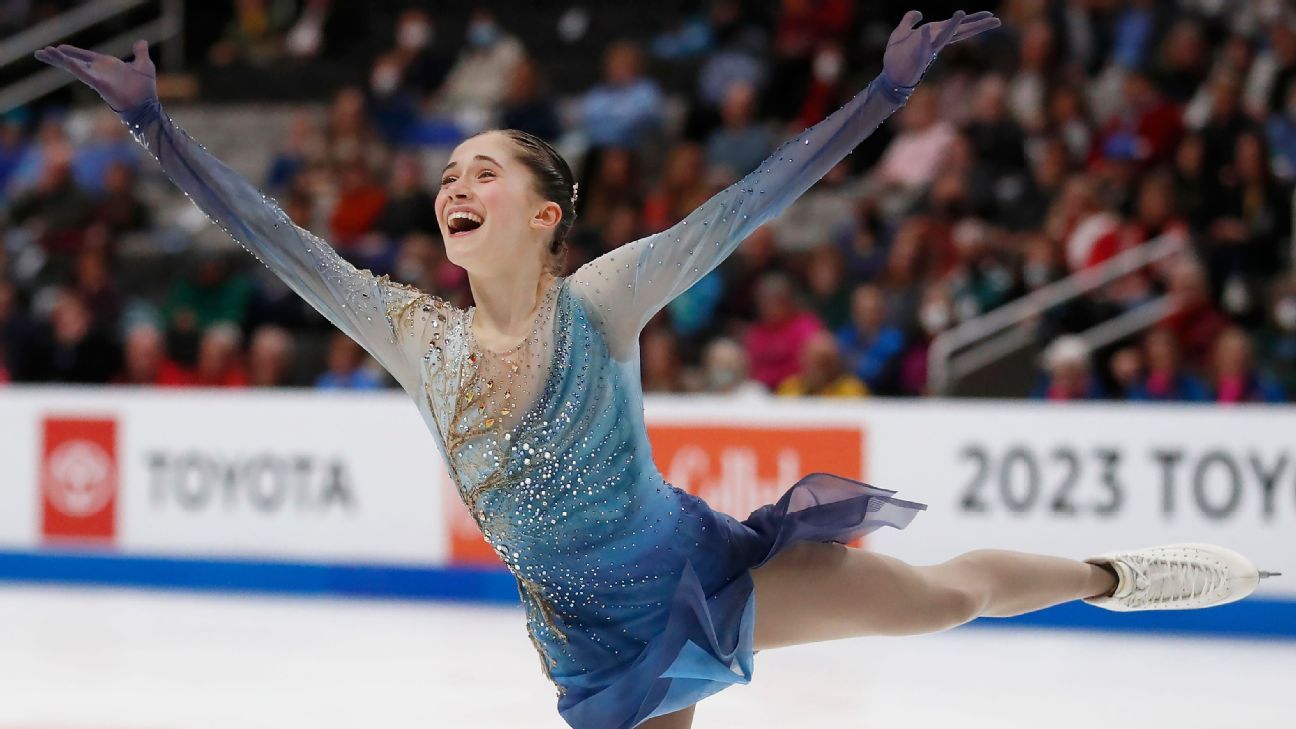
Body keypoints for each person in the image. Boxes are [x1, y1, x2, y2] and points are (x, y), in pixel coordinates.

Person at [38, 13, 1277, 728]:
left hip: (698, 577)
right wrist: (156, 128)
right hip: (580, 636)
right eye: (449, 169)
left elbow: (750, 202)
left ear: (544, 212)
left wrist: (882, 96)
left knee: (938, 599)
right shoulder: (412, 333)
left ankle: (1120, 573)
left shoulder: (604, 298)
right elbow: (277, 238)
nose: (452, 183)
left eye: (485, 169)